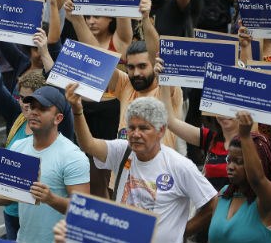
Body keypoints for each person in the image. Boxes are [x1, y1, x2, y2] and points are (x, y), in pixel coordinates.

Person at [65, 87, 217, 243]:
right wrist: (77, 111)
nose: (136, 134)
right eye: (131, 128)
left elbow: (212, 203)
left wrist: (181, 232)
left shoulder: (179, 166)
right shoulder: (122, 151)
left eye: (144, 128)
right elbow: (88, 145)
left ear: (161, 131)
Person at [0, 86, 90, 243]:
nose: (34, 112)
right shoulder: (18, 147)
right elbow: (5, 199)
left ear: (58, 118)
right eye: (32, 106)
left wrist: (51, 199)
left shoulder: (73, 156)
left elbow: (82, 211)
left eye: (42, 108)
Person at [208, 111, 271, 243]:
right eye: (229, 160)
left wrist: (245, 136)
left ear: (259, 163)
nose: (230, 166)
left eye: (239, 161)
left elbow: (257, 179)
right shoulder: (223, 194)